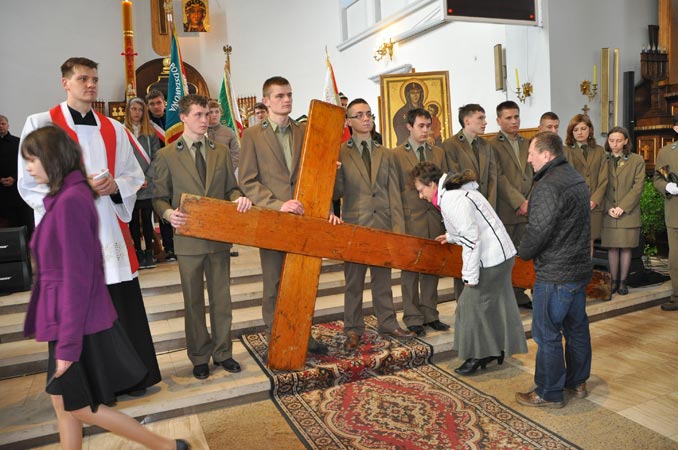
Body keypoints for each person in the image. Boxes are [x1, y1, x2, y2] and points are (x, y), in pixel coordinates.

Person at [21, 126, 189, 450]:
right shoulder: (62, 198)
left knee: (80, 407)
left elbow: (78, 277)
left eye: (32, 159)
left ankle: (166, 446)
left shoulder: (69, 202)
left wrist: (67, 345)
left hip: (75, 325)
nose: (27, 168)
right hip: (64, 322)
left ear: (52, 159)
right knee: (65, 405)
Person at [18, 57, 161, 397]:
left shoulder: (113, 128)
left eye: (94, 79)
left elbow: (133, 175)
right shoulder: (41, 124)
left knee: (119, 303)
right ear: (65, 83)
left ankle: (131, 378)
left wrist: (116, 186)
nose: (91, 84)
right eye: (82, 78)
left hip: (109, 231)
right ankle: (89, 384)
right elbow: (29, 183)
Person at [153, 95, 251, 380]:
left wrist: (238, 198)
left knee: (222, 299)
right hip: (188, 240)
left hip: (218, 238)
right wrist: (168, 214)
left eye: (207, 114)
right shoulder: (167, 155)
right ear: (183, 117)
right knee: (193, 301)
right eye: (198, 114)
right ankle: (199, 356)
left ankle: (223, 352)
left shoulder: (220, 151)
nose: (205, 120)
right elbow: (159, 197)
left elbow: (231, 189)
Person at [238, 76, 329, 354]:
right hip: (273, 219)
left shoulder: (303, 131)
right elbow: (248, 180)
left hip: (303, 217)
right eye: (279, 96)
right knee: (274, 282)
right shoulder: (253, 135)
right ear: (266, 101)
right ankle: (275, 336)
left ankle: (303, 334)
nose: (286, 100)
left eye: (289, 94)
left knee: (303, 280)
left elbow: (313, 172)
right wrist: (277, 204)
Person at [412, 162, 527, 375]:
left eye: (421, 190)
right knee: (492, 305)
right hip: (501, 255)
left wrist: (470, 277)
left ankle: (478, 355)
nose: (420, 196)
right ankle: (494, 350)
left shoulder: (452, 199)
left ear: (432, 185)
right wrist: (451, 236)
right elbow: (472, 226)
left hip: (491, 259)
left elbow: (472, 240)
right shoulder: (456, 192)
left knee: (468, 306)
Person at [516, 131, 592, 408]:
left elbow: (539, 231)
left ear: (546, 155)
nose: (528, 159)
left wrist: (522, 253)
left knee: (547, 333)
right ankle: (577, 382)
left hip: (555, 273)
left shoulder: (548, 185)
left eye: (531, 153)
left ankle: (548, 392)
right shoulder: (575, 178)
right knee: (576, 329)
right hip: (577, 269)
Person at [334, 98, 415, 351]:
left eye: (369, 114)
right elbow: (335, 193)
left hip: (382, 224)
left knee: (383, 280)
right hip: (355, 225)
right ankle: (353, 328)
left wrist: (398, 231)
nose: (366, 118)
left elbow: (394, 193)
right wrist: (334, 172)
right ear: (348, 122)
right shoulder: (340, 152)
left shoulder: (385, 153)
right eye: (359, 115)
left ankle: (388, 322)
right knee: (353, 282)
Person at [392, 108, 450, 337]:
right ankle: (412, 316)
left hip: (433, 217)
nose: (426, 130)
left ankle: (430, 314)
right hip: (410, 219)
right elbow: (395, 192)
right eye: (421, 126)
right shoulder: (397, 155)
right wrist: (399, 227)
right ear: (409, 127)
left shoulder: (438, 153)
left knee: (432, 268)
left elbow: (444, 188)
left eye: (429, 126)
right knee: (410, 271)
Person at [489, 101, 533, 308]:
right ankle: (505, 297)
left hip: (528, 208)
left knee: (524, 254)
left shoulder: (528, 143)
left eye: (516, 116)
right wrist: (519, 201)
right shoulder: (492, 145)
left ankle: (520, 294)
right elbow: (499, 177)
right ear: (499, 120)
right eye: (508, 118)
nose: (514, 121)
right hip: (506, 209)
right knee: (505, 256)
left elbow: (535, 172)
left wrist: (529, 200)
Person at [600, 126, 645, 296]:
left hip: (628, 213)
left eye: (618, 140)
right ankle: (613, 281)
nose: (615, 144)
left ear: (626, 141)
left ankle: (623, 283)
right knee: (612, 248)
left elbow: (638, 187)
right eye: (611, 140)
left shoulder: (636, 160)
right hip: (608, 212)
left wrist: (622, 207)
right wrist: (608, 207)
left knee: (626, 248)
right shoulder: (603, 160)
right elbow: (598, 186)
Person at [124, 97, 161, 269]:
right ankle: (137, 252)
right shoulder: (122, 131)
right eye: (134, 109)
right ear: (128, 111)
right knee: (132, 220)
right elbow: (121, 158)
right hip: (130, 183)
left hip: (147, 182)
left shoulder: (150, 132)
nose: (137, 112)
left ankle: (149, 253)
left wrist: (147, 177)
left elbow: (156, 157)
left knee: (147, 218)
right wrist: (132, 179)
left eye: (140, 109)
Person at [564, 114, 608, 255]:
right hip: (574, 205)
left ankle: (588, 268)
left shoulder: (599, 150)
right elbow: (566, 179)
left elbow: (604, 178)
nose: (580, 132)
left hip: (594, 205)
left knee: (590, 242)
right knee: (574, 242)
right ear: (571, 132)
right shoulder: (566, 150)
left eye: (583, 128)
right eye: (576, 129)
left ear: (590, 130)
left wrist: (595, 200)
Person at [442, 104, 497, 208]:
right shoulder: (451, 144)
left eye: (484, 118)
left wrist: (489, 205)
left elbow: (493, 177)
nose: (485, 122)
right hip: (465, 205)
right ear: (467, 121)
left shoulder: (486, 145)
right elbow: (455, 179)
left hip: (487, 205)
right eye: (480, 118)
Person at [146, 90, 176, 262]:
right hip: (159, 172)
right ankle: (169, 247)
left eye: (158, 102)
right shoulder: (147, 124)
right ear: (148, 106)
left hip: (177, 170)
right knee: (165, 209)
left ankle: (183, 245)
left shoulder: (174, 120)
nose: (156, 106)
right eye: (152, 104)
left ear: (164, 103)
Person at [653, 114, 678, 311]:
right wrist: (667, 186)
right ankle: (677, 296)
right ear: (676, 128)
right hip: (675, 212)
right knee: (675, 258)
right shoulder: (666, 152)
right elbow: (658, 178)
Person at [0, 114, 34, 235]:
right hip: (1, 191)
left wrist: (14, 177)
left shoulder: (19, 142)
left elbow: (26, 163)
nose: (1, 126)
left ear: (8, 125)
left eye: (3, 124)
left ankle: (28, 244)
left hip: (18, 188)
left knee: (24, 220)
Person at [393, 82, 425, 146]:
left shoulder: (426, 111)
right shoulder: (401, 114)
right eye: (412, 93)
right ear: (408, 95)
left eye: (417, 92)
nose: (415, 95)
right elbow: (401, 135)